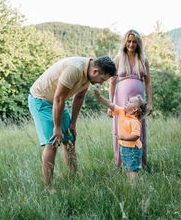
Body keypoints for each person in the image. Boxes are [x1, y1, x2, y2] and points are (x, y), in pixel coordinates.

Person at [28, 56, 116, 193]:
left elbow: (79, 97)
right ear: (95, 71)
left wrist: (73, 123)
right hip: (42, 100)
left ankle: (73, 177)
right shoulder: (75, 69)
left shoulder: (88, 76)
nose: (101, 83)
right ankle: (49, 187)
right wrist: (57, 128)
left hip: (58, 101)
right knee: (53, 143)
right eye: (102, 80)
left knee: (70, 140)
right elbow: (59, 97)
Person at [109, 29, 153, 169]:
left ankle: (139, 163)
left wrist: (150, 103)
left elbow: (148, 82)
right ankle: (121, 164)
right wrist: (110, 105)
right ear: (125, 42)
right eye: (129, 41)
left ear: (138, 43)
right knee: (121, 128)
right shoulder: (118, 59)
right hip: (121, 99)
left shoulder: (143, 59)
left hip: (138, 101)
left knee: (138, 129)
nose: (131, 44)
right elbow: (112, 83)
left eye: (134, 42)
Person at [94, 89, 148, 182]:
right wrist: (99, 97)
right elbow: (110, 105)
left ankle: (134, 187)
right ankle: (131, 185)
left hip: (133, 149)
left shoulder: (134, 121)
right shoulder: (122, 111)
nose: (127, 101)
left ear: (135, 109)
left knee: (132, 170)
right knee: (127, 168)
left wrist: (123, 137)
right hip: (125, 147)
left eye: (130, 102)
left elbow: (136, 136)